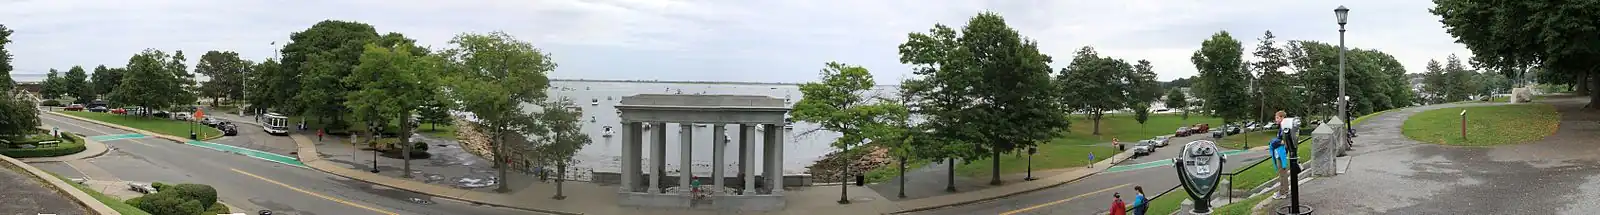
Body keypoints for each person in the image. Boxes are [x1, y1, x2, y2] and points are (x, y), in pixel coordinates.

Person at [1267, 110, 1291, 199]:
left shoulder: (1285, 128)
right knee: (1282, 173)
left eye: (1277, 117)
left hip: (1282, 154)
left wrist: (1274, 142)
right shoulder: (1282, 127)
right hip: (1279, 153)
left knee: (1282, 173)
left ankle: (1283, 192)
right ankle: (1285, 191)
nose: (1275, 119)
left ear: (1282, 118)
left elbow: (1283, 141)